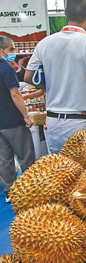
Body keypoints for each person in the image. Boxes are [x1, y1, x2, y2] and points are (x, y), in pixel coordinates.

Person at [25, 0, 86, 154]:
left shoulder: (45, 43)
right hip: (82, 122)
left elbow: (28, 76)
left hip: (53, 121)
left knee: (58, 173)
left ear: (65, 13)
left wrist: (50, 86)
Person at [0, 36, 35, 203]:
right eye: (11, 49)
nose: (14, 52)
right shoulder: (6, 69)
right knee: (26, 156)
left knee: (4, 158)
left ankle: (9, 192)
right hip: (12, 120)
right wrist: (26, 116)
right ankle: (31, 190)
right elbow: (15, 94)